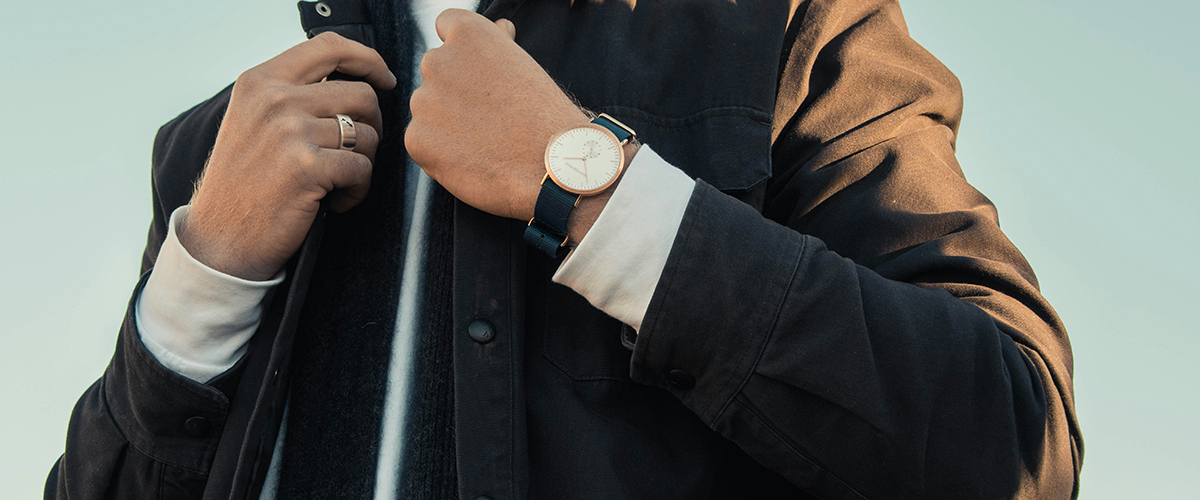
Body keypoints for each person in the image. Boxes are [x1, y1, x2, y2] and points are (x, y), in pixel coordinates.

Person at [46, 0, 1083, 498]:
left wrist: (590, 185)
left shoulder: (782, 27)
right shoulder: (216, 145)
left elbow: (1011, 438)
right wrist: (203, 269)